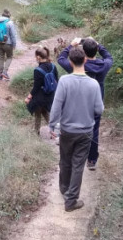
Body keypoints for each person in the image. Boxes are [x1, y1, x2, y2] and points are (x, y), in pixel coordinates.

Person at [49, 46, 103, 212]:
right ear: (85, 60)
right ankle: (71, 200)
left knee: (65, 160)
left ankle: (64, 189)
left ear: (71, 62)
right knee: (78, 164)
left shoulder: (65, 81)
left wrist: (52, 125)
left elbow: (56, 106)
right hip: (85, 131)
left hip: (67, 130)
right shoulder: (93, 84)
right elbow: (99, 110)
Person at [57, 37, 113, 171]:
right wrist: (99, 46)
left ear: (84, 52)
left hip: (77, 102)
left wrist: (70, 45)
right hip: (95, 102)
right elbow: (109, 57)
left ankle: (75, 155)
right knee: (94, 130)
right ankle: (92, 160)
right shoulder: (104, 65)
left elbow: (61, 59)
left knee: (75, 126)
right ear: (96, 51)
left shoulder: (78, 65)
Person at [25, 47, 58, 135]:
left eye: (36, 56)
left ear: (39, 57)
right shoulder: (53, 66)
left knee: (38, 113)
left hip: (40, 97)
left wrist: (29, 97)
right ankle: (54, 129)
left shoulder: (37, 70)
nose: (35, 58)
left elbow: (36, 87)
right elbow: (56, 80)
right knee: (45, 111)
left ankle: (36, 132)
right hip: (50, 95)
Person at [0, 9, 19, 81]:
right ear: (8, 16)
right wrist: (14, 44)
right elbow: (13, 35)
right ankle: (4, 72)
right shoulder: (10, 23)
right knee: (10, 57)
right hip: (7, 44)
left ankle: (0, 75)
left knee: (1, 58)